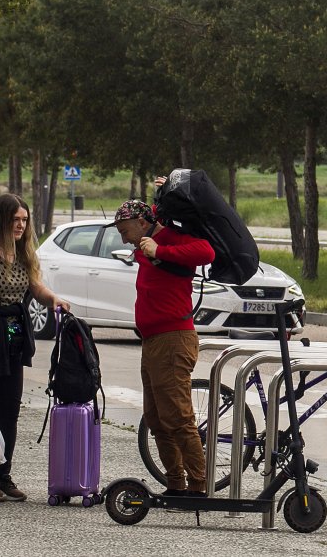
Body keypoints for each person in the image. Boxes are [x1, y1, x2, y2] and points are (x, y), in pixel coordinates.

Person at [0, 193, 71, 502]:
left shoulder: (23, 252)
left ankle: (3, 473)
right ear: (1, 220)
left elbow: (35, 286)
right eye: (15, 220)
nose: (20, 225)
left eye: (24, 220)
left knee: (9, 408)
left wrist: (53, 298)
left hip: (12, 337)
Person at [109, 198, 215, 497]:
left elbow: (206, 251)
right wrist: (162, 194)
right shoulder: (148, 232)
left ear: (141, 225)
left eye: (124, 230)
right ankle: (175, 483)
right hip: (153, 340)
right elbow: (152, 212)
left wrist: (160, 250)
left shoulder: (167, 237)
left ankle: (198, 484)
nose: (123, 237)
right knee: (156, 418)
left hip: (173, 338)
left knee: (178, 416)